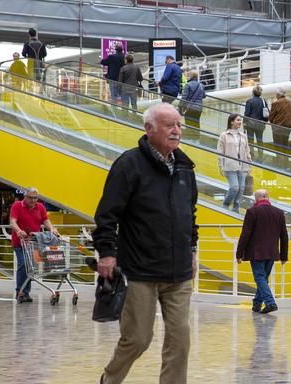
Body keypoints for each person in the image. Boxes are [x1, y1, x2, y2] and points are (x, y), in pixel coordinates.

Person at [93, 103, 198, 384]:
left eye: (178, 124)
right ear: (148, 129)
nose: (176, 130)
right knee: (138, 338)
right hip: (139, 271)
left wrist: (193, 249)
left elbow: (191, 213)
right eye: (168, 125)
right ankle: (109, 380)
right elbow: (107, 214)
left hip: (178, 273)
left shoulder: (186, 168)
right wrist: (106, 253)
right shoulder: (129, 165)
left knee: (180, 341)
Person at [236, 189, 288, 314]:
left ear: (256, 198)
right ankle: (257, 304)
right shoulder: (279, 212)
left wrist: (239, 253)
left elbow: (245, 234)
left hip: (256, 252)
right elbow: (284, 235)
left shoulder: (252, 211)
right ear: (268, 197)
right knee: (263, 278)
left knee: (260, 278)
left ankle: (270, 303)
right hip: (272, 253)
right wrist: (284, 256)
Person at [10, 187, 59, 302]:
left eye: (35, 198)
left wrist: (52, 229)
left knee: (31, 266)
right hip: (20, 242)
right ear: (25, 197)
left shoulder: (40, 207)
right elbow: (13, 221)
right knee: (23, 265)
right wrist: (18, 231)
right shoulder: (17, 206)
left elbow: (46, 220)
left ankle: (26, 292)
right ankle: (20, 291)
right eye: (30, 198)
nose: (33, 200)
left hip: (34, 242)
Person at [218, 114, 253, 213]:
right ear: (232, 122)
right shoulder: (224, 135)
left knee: (241, 188)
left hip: (243, 165)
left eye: (240, 120)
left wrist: (249, 164)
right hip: (230, 165)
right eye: (238, 120)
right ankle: (226, 204)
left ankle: (236, 207)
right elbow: (220, 152)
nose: (240, 122)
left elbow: (247, 150)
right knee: (234, 187)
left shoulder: (243, 136)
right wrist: (220, 165)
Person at [180, 70, 206, 141]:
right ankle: (196, 139)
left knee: (189, 125)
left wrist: (180, 108)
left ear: (191, 76)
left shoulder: (188, 85)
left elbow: (184, 98)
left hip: (189, 108)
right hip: (199, 109)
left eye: (188, 75)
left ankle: (191, 140)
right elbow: (204, 96)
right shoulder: (201, 85)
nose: (187, 77)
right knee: (196, 124)